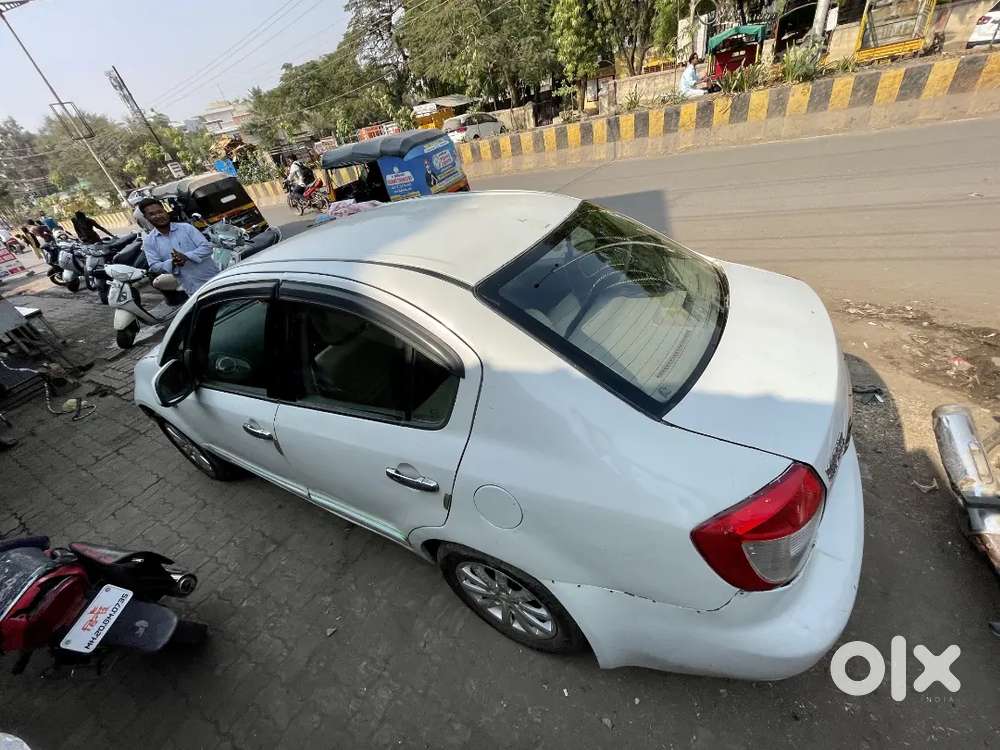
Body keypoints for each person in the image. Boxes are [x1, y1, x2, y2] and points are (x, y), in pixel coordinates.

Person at [137, 197, 219, 295]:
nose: (158, 216)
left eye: (160, 211)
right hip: (192, 290)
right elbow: (154, 266)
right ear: (146, 217)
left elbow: (207, 247)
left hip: (214, 281)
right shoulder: (149, 242)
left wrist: (186, 257)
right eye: (152, 214)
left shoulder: (186, 228)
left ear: (165, 211)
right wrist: (172, 263)